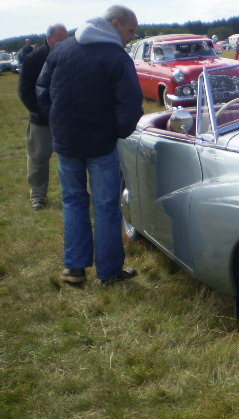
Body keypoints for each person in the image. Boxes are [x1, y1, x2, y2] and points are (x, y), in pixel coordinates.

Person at [36, 5, 143, 285]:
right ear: (115, 23)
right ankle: (108, 272)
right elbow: (131, 103)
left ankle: (75, 268)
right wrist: (117, 131)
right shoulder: (116, 56)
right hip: (99, 144)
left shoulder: (61, 50)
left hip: (68, 141)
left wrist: (57, 121)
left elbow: (42, 90)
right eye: (130, 30)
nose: (132, 37)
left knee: (73, 201)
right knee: (106, 205)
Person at [18, 24, 69, 211]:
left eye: (67, 38)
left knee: (72, 158)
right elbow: (25, 91)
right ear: (49, 39)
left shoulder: (71, 56)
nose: (65, 43)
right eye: (60, 39)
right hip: (41, 120)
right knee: (38, 158)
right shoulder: (33, 59)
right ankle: (38, 196)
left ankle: (72, 193)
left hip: (66, 119)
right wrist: (45, 112)